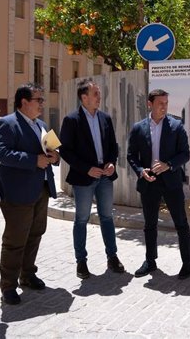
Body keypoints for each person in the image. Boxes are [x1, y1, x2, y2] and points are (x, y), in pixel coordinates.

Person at [0, 83, 59, 305]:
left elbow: (55, 149)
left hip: (42, 189)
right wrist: (33, 161)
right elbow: (2, 153)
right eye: (38, 99)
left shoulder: (41, 124)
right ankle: (8, 286)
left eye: (42, 100)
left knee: (36, 233)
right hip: (17, 192)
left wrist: (55, 157)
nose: (42, 103)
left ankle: (27, 275)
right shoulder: (7, 123)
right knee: (15, 240)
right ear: (23, 102)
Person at [59, 78, 125, 279]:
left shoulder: (105, 118)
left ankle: (112, 257)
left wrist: (112, 162)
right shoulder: (72, 120)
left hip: (105, 177)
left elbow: (113, 146)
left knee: (107, 217)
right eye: (95, 93)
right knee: (81, 219)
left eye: (99, 93)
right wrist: (86, 169)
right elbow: (65, 150)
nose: (99, 97)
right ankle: (81, 261)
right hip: (83, 178)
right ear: (84, 97)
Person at [127, 89, 190, 279]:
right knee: (149, 224)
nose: (164, 107)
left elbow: (185, 154)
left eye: (166, 103)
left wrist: (169, 165)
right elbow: (131, 155)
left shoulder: (176, 126)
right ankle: (150, 261)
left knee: (181, 223)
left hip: (171, 182)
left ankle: (187, 262)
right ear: (150, 104)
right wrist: (140, 171)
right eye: (160, 103)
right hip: (149, 183)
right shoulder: (138, 128)